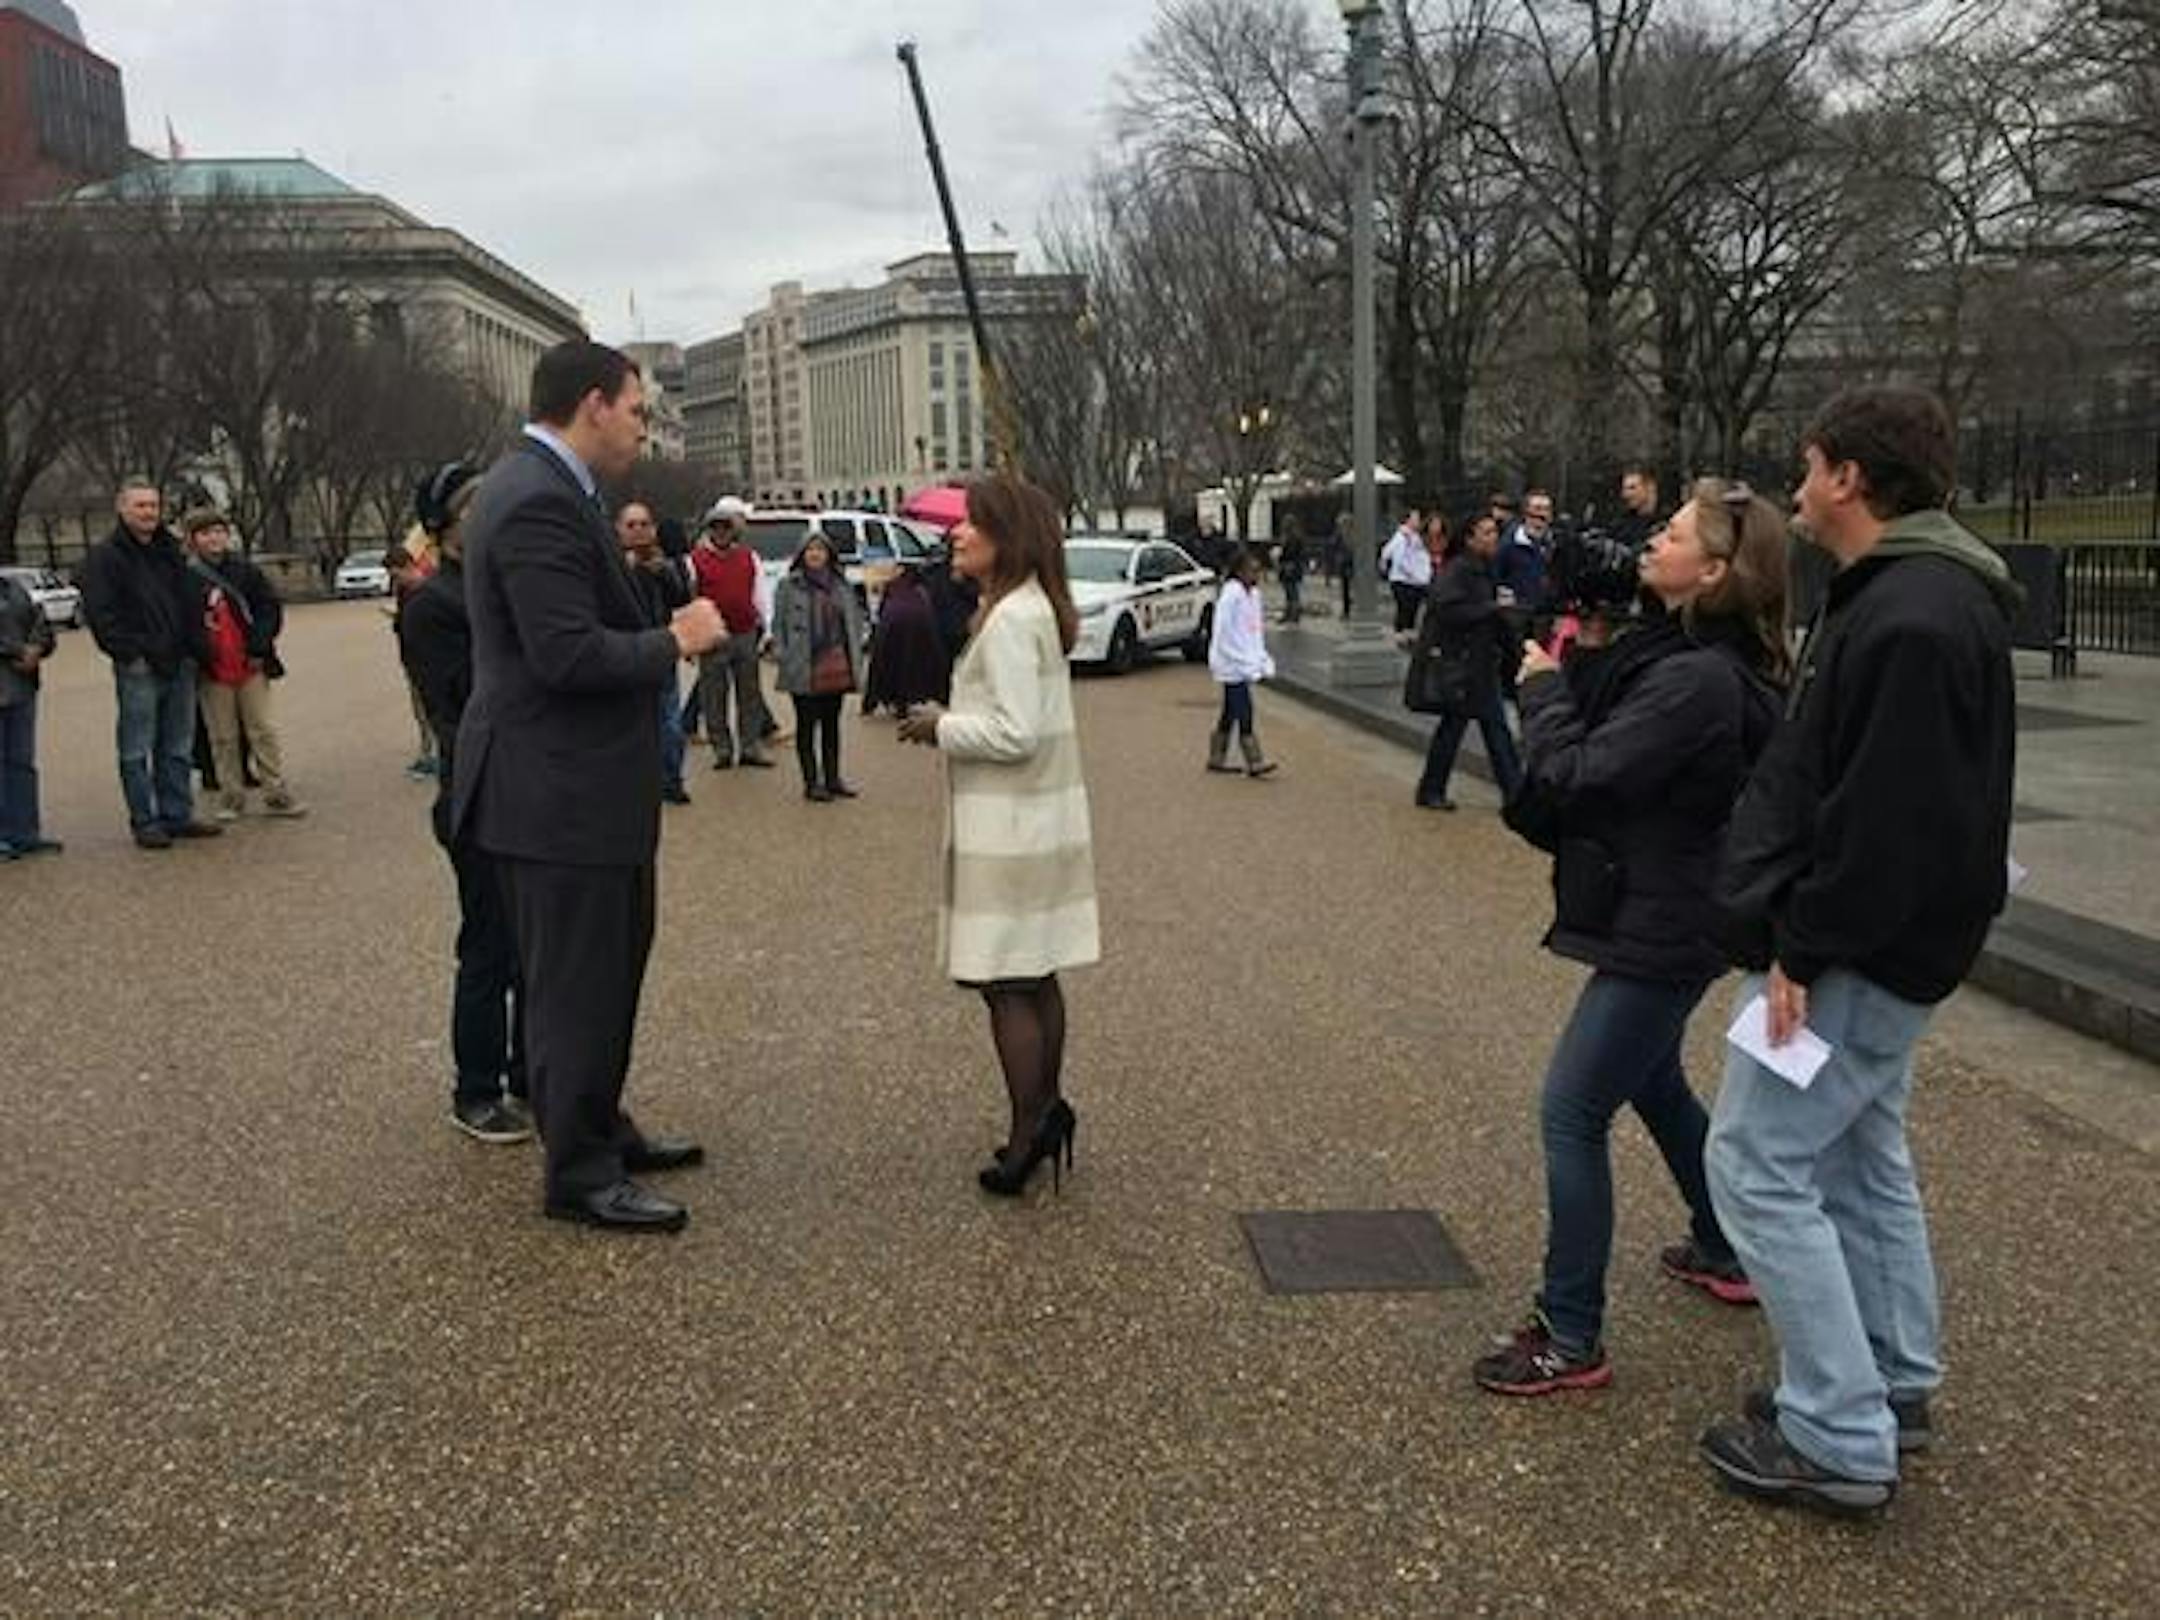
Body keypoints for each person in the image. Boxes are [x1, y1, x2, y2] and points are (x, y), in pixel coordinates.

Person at [1699, 388, 2018, 1516]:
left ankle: (1839, 1430)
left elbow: (1886, 821)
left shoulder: (1907, 616)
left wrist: (1803, 946)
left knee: (1755, 1163)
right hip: (1899, 942)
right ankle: (1889, 1377)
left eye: (1810, 465)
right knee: (1859, 1154)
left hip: (1858, 948)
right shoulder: (1925, 599)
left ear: (1849, 480)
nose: (1797, 486)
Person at [1472, 478, 1788, 1398]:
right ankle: (1726, 1245)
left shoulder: (1693, 679)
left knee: (1571, 1110)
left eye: (1674, 533)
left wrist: (1540, 688)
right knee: (1652, 1080)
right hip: (1675, 910)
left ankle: (1570, 1331)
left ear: (1717, 571)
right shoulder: (1697, 656)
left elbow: (1575, 773)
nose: (1653, 539)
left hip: (1666, 920)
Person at [452, 340, 726, 1232]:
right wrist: (676, 640)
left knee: (603, 976)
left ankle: (600, 1125)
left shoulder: (550, 490)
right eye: (640, 411)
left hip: (575, 792)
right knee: (576, 988)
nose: (644, 430)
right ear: (595, 404)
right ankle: (579, 1171)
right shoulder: (536, 498)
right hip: (554, 797)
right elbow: (564, 654)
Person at [898, 474, 1098, 1198]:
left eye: (971, 524)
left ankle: (1029, 1131)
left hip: (1010, 827)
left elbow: (1012, 732)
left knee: (1006, 983)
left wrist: (939, 725)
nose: (956, 532)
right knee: (1035, 973)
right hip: (1033, 821)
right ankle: (1043, 1113)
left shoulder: (1012, 618)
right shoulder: (1026, 606)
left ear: (1004, 537)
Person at [396, 460, 532, 1145]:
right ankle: (475, 1089)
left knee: (537, 947)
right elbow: (459, 705)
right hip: (480, 793)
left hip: (535, 792)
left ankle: (531, 1076)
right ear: (446, 525)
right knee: (490, 948)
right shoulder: (435, 606)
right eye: (475, 507)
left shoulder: (507, 588)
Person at [78, 480, 221, 850]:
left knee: (177, 745)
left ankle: (176, 813)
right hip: (138, 665)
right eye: (140, 505)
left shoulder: (170, 552)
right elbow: (102, 613)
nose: (148, 513)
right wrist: (129, 653)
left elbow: (191, 602)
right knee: (136, 748)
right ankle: (145, 819)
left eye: (154, 505)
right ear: (122, 509)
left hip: (179, 662)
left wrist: (195, 650)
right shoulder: (105, 557)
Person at [181, 509, 307, 822]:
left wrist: (259, 645)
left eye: (218, 531)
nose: (214, 538)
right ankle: (231, 795)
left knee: (262, 729)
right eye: (206, 533)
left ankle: (276, 791)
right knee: (222, 736)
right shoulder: (185, 577)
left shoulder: (246, 571)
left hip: (249, 661)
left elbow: (268, 608)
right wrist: (201, 653)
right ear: (194, 539)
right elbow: (184, 621)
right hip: (213, 666)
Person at [1410, 512, 1523, 809]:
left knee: (1466, 728)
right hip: (1467, 664)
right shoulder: (1461, 569)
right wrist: (1491, 608)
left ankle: (1433, 788)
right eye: (1485, 533)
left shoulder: (1479, 568)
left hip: (1477, 663)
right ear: (1470, 538)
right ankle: (1514, 793)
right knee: (1487, 729)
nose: (1493, 538)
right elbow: (1448, 609)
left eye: (1493, 532)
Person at [772, 527, 869, 801]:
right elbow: (777, 624)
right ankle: (811, 782)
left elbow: (854, 620)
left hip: (835, 663)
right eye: (810, 550)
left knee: (831, 724)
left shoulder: (841, 585)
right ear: (802, 555)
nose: (815, 554)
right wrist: (783, 652)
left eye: (820, 549)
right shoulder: (788, 585)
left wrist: (856, 652)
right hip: (803, 663)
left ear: (829, 554)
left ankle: (833, 778)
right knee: (806, 725)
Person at [617, 501, 694, 805]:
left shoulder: (668, 565)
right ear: (619, 529)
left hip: (661, 650)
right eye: (631, 525)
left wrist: (664, 574)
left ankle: (671, 779)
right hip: (625, 651)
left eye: (644, 524)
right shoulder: (611, 566)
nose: (638, 531)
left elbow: (682, 601)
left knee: (670, 722)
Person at [690, 496, 776, 770]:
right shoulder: (694, 560)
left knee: (749, 694)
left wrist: (768, 630)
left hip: (744, 632)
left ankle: (750, 746)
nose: (721, 532)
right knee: (713, 697)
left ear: (734, 531)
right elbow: (690, 600)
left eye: (726, 527)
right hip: (712, 637)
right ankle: (722, 749)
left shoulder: (749, 557)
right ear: (709, 530)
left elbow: (760, 596)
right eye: (716, 527)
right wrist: (692, 639)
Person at [0, 565, 61, 860]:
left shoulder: (14, 589)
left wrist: (38, 647)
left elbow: (40, 623)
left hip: (20, 689)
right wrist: (16, 651)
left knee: (21, 763)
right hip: (10, 674)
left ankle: (24, 833)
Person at [1206, 545, 1279, 778]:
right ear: (1239, 571)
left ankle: (1216, 756)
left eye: (1258, 570)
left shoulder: (1253, 595)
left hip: (1244, 659)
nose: (1256, 575)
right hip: (1230, 661)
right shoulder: (1231, 595)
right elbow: (1224, 632)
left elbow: (1254, 630)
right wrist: (1238, 658)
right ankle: (1254, 759)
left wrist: (1260, 657)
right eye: (1251, 570)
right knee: (1243, 707)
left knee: (1230, 710)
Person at [861, 561, 951, 715]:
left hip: (892, 626)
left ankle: (883, 701)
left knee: (885, 662)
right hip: (919, 629)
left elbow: (882, 613)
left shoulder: (892, 588)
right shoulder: (923, 589)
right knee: (913, 663)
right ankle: (928, 697)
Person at [1379, 507, 1432, 632]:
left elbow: (1386, 552)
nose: (1418, 521)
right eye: (1415, 518)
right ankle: (1402, 636)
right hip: (1406, 581)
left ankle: (1405, 636)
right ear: (1407, 520)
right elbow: (1400, 559)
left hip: (1412, 580)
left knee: (1409, 612)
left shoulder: (1412, 536)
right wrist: (1417, 576)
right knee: (1406, 612)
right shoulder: (1403, 537)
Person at [1610, 466, 1665, 552]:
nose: (1625, 495)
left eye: (1632, 488)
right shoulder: (1620, 524)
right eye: (1624, 489)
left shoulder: (1668, 522)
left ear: (1650, 487)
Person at [1275, 519, 1308, 624]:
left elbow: (1291, 553)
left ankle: (1293, 614)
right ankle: (1291, 613)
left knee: (1291, 590)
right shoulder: (1293, 537)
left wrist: (1281, 556)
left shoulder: (1292, 538)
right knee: (1290, 590)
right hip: (1291, 565)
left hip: (1290, 566)